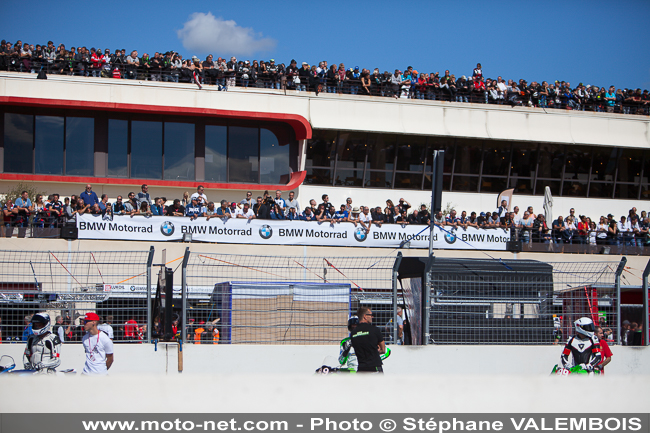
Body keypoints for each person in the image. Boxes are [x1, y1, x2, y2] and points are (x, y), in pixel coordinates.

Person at [350, 307, 385, 373]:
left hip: (361, 368)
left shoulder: (353, 333)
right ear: (365, 316)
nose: (372, 317)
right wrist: (375, 350)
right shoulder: (374, 330)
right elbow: (383, 350)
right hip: (374, 367)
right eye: (370, 315)